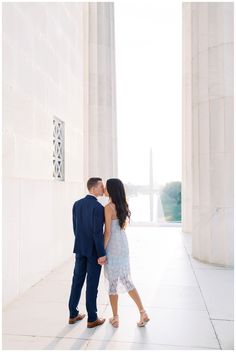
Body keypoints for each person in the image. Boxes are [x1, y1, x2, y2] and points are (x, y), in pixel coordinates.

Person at [103, 178, 150, 328]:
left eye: (106, 186)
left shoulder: (108, 207)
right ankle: (143, 312)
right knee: (126, 279)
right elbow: (122, 226)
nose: (104, 188)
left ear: (110, 189)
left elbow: (108, 232)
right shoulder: (123, 204)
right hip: (123, 244)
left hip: (113, 246)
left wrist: (102, 251)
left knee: (112, 281)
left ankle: (115, 317)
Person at [68, 177, 107, 328]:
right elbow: (98, 233)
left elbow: (75, 228)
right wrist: (101, 253)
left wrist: (80, 242)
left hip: (79, 248)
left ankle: (73, 314)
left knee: (77, 281)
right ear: (93, 188)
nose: (103, 189)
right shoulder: (98, 208)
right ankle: (92, 318)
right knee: (92, 283)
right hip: (93, 251)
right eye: (101, 186)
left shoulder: (77, 204)